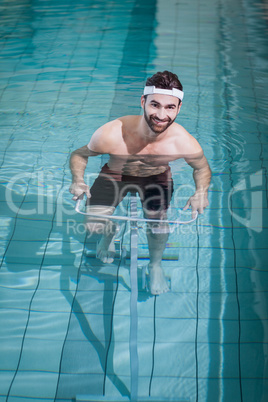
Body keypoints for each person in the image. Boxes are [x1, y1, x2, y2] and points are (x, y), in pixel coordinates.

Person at [69, 70, 211, 295]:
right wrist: (78, 180)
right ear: (143, 101)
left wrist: (201, 192)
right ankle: (110, 232)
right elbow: (79, 155)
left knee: (157, 225)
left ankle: (155, 265)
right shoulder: (112, 133)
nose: (161, 115)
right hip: (116, 174)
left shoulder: (183, 142)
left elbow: (202, 168)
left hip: (156, 178)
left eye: (170, 107)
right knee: (92, 226)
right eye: (155, 105)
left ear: (179, 108)